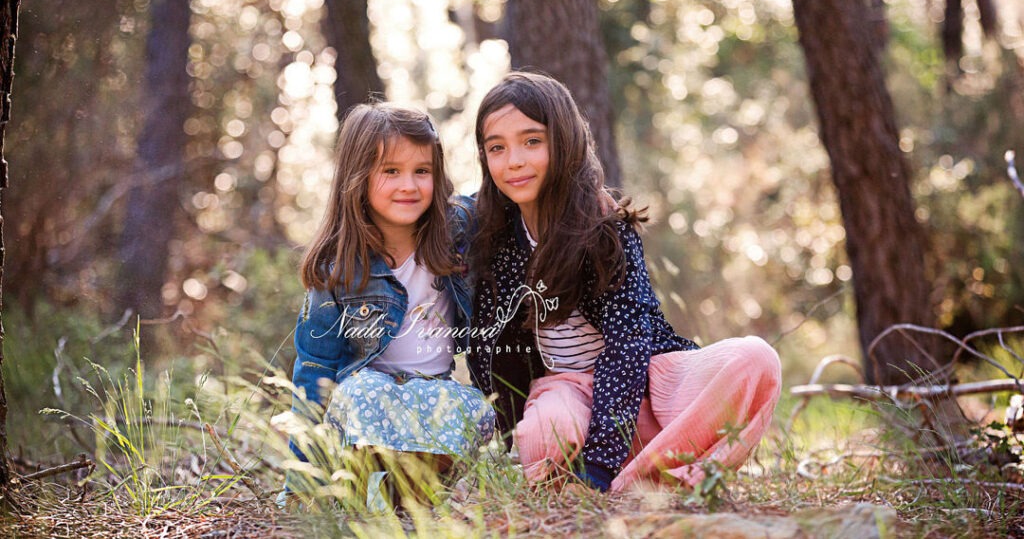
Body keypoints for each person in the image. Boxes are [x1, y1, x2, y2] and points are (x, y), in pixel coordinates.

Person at [467, 71, 781, 494]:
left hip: (644, 381)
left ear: (564, 142)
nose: (514, 161)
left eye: (532, 141)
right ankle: (630, 474)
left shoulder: (602, 227)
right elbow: (488, 345)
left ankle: (628, 481)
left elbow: (629, 343)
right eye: (497, 148)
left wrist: (599, 463)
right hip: (566, 390)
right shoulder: (492, 233)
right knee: (545, 432)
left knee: (755, 359)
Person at [284, 103, 495, 507]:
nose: (409, 186)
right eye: (391, 171)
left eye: (422, 171)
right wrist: (301, 480)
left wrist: (593, 198)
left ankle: (409, 498)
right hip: (369, 403)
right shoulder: (337, 268)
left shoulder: (455, 229)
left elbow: (508, 197)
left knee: (469, 409)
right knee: (361, 391)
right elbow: (313, 368)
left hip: (434, 395)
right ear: (358, 177)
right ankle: (358, 491)